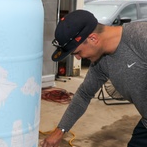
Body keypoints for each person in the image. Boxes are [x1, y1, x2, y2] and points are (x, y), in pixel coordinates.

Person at [41, 9, 147, 147]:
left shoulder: (141, 37)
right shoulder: (100, 61)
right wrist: (60, 131)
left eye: (77, 52)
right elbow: (84, 94)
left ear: (93, 39)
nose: (78, 58)